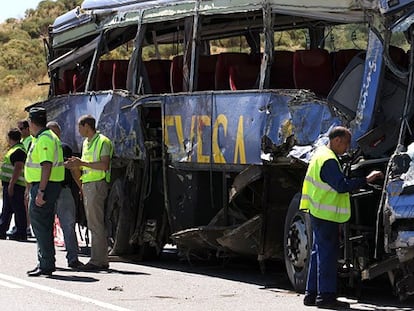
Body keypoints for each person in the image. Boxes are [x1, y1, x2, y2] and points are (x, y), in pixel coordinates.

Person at [300, 126, 383, 309]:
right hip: (326, 214)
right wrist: (366, 180)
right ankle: (326, 297)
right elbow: (341, 185)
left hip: (317, 211)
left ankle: (311, 294)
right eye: (345, 143)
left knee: (317, 253)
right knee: (328, 255)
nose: (347, 148)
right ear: (337, 140)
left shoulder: (320, 153)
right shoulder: (329, 160)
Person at [65, 115, 113, 271]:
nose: (78, 130)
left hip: (97, 184)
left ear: (87, 126)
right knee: (93, 223)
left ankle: (98, 260)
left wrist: (82, 163)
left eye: (80, 126)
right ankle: (99, 259)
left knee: (96, 223)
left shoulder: (103, 141)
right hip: (88, 184)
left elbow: (104, 165)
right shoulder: (86, 143)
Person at [25, 107, 65, 277]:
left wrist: (40, 190)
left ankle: (46, 263)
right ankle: (44, 261)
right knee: (43, 225)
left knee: (41, 226)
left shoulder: (45, 139)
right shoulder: (44, 137)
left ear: (31, 122)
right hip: (45, 185)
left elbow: (46, 165)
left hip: (45, 186)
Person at [47, 121, 84, 269]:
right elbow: (74, 170)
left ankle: (47, 260)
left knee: (46, 227)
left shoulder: (40, 146)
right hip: (63, 190)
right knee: (68, 225)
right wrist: (80, 186)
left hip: (48, 191)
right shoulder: (64, 148)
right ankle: (73, 259)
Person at [0, 128, 27, 241]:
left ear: (9, 138)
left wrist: (11, 184)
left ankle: (21, 233)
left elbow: (18, 167)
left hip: (15, 185)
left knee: (18, 209)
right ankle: (2, 230)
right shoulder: (15, 149)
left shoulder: (18, 150)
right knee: (7, 209)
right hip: (12, 184)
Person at [17, 119, 33, 237]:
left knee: (26, 201)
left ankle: (27, 226)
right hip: (22, 177)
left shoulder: (30, 141)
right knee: (23, 201)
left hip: (28, 177)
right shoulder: (22, 141)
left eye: (21, 129)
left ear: (28, 129)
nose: (20, 131)